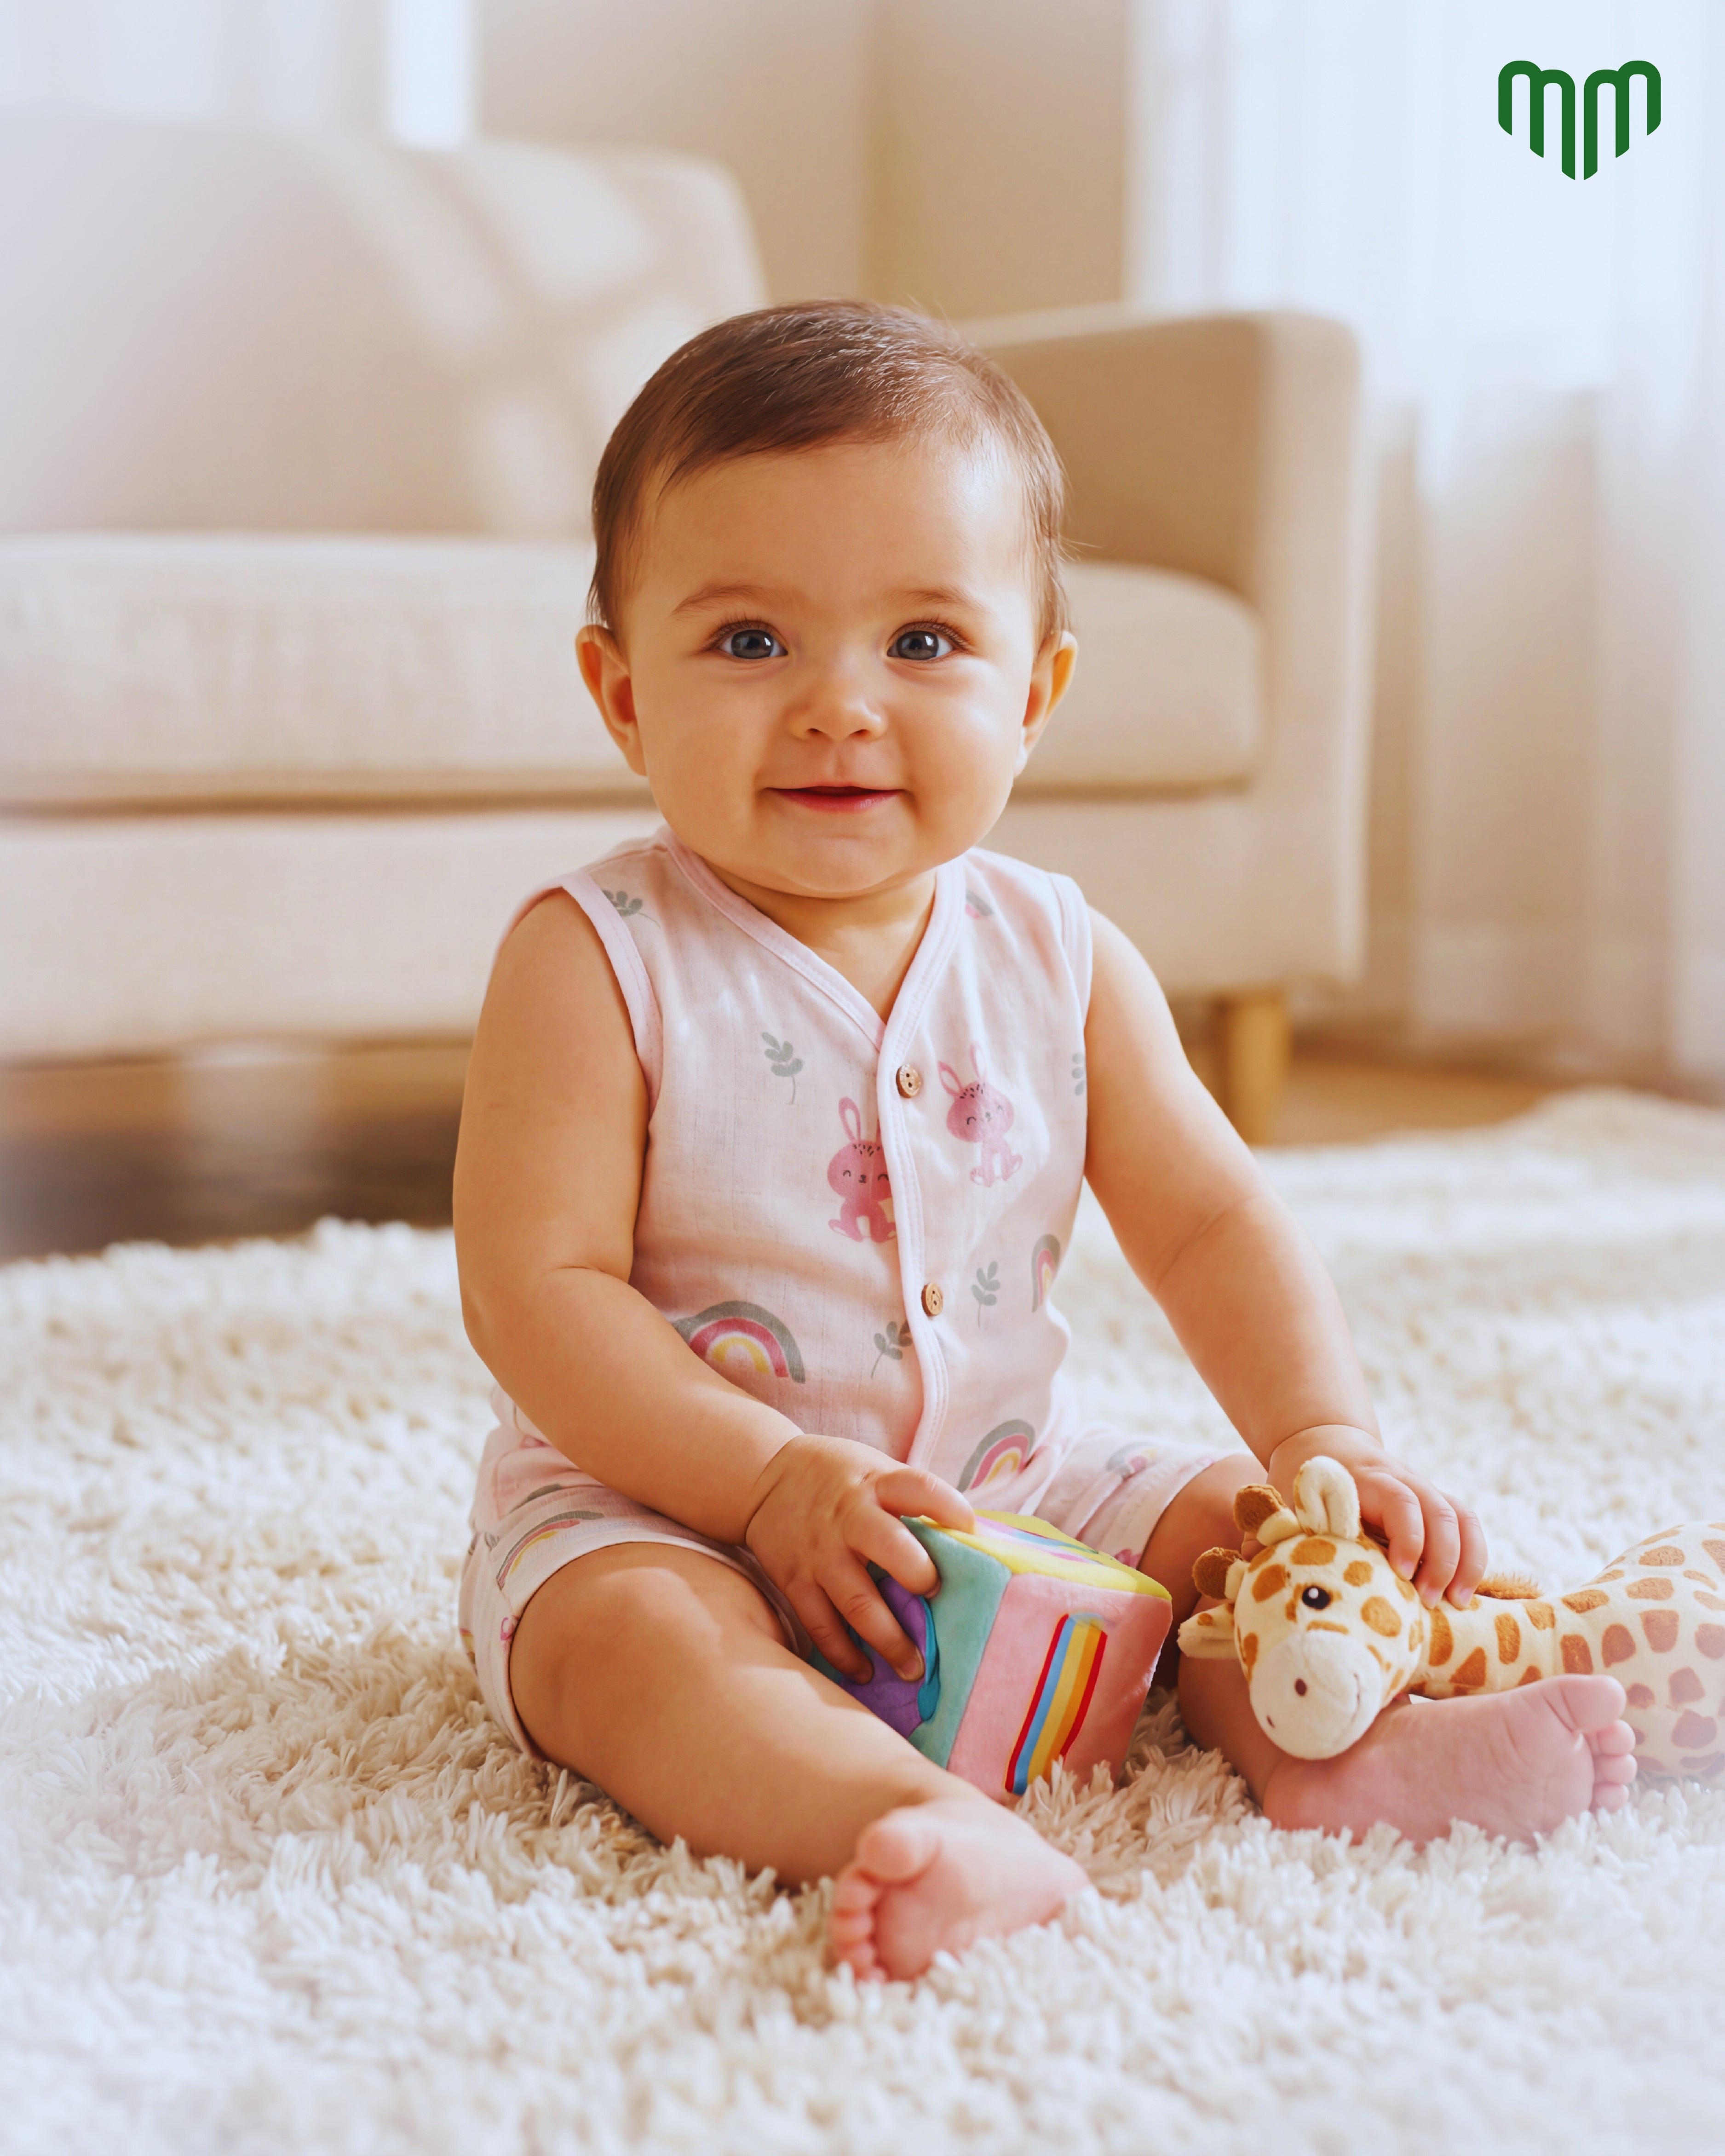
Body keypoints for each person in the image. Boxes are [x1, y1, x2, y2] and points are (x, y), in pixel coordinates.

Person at [451, 303, 1636, 1983]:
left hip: (1015, 1486)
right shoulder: (595, 958)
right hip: (669, 1504)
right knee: (636, 1659)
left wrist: (1325, 1433)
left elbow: (1210, 1217)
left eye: (924, 644)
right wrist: (769, 1480)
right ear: (621, 693)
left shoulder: (1059, 954)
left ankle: (1330, 1747)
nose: (841, 708)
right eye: (749, 644)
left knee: (1250, 1533)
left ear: (1038, 693)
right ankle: (901, 1821)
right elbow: (537, 1289)